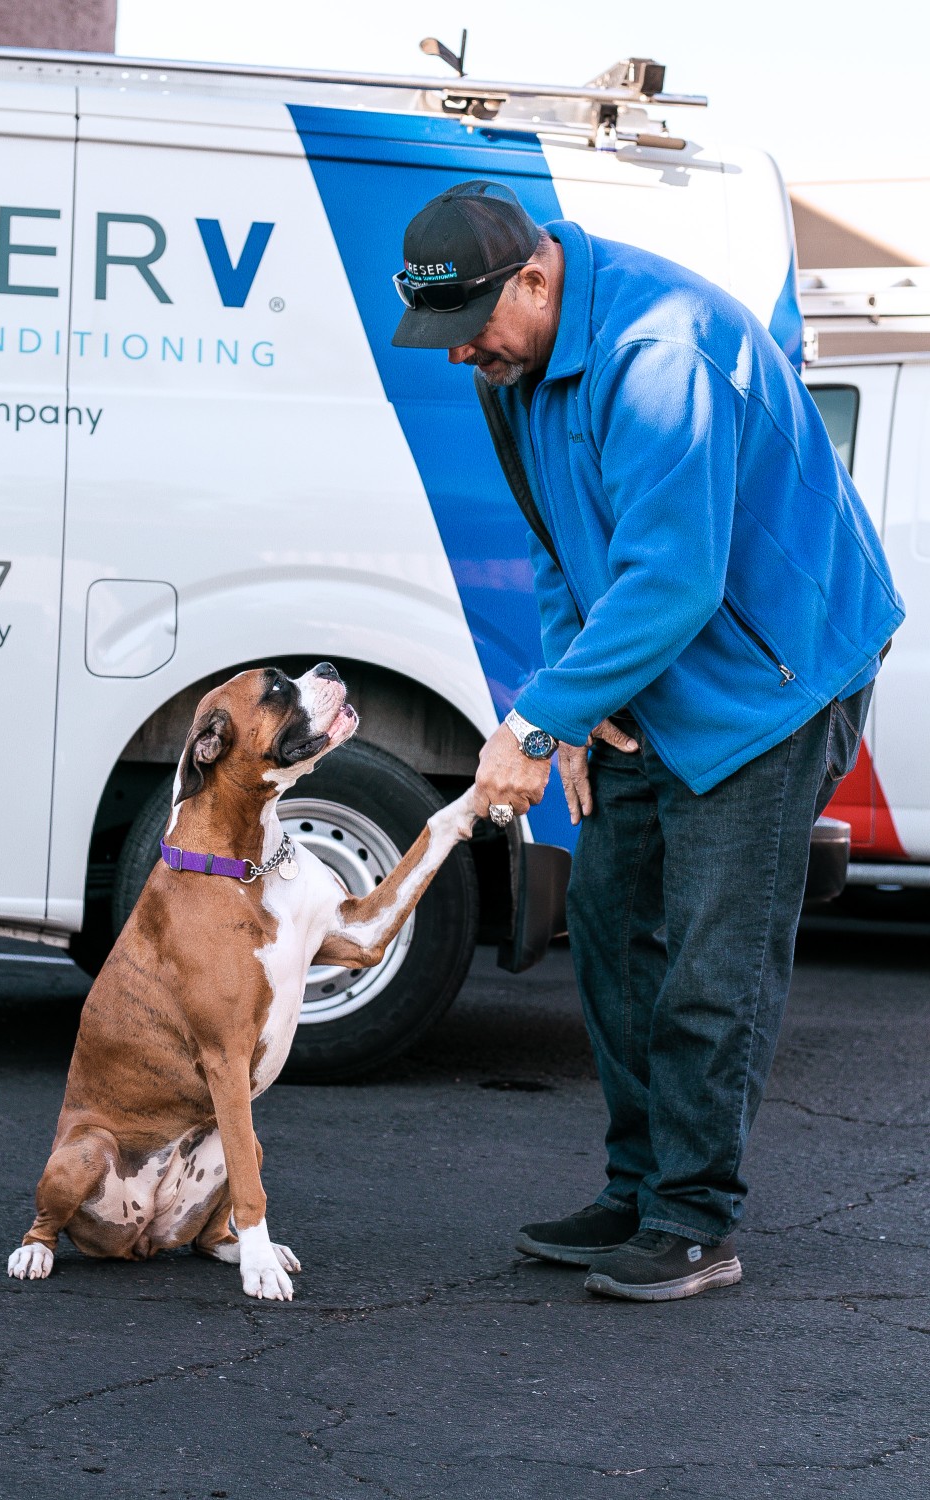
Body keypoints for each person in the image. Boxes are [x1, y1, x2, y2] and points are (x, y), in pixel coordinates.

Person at [391, 179, 904, 1302]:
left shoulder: (660, 350)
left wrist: (532, 724)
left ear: (534, 277)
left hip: (774, 675)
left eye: (469, 326)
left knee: (712, 961)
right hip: (659, 664)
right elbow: (556, 546)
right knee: (615, 932)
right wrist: (572, 708)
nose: (458, 354)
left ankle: (691, 1219)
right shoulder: (513, 363)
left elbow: (674, 575)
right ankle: (634, 1190)